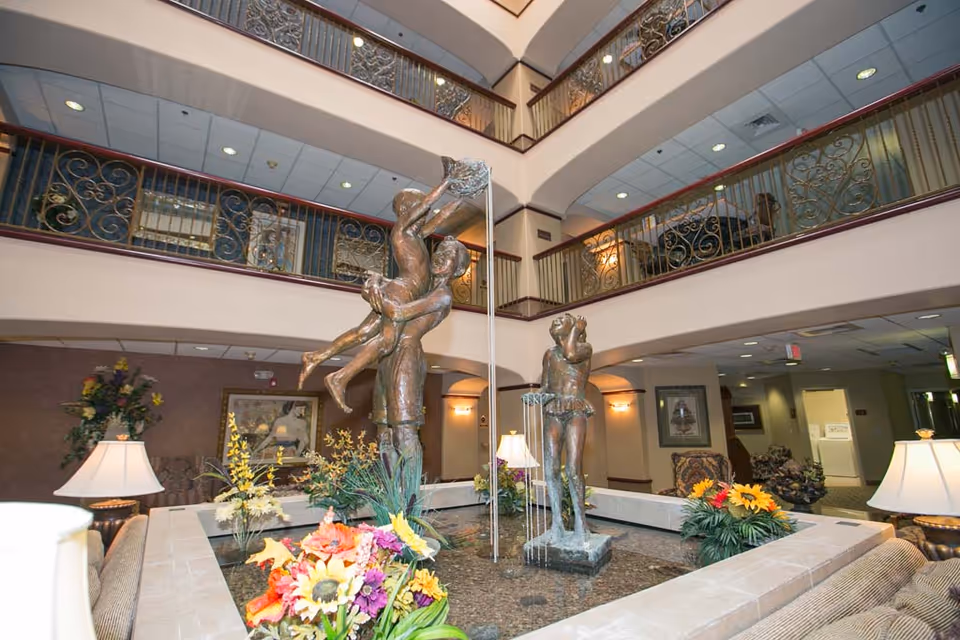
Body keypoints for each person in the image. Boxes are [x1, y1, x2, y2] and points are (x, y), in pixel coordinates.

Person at [298, 157, 464, 401]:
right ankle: (340, 376)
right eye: (420, 206)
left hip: (399, 289)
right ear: (407, 211)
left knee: (362, 332)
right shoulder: (402, 231)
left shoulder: (417, 235)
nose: (426, 210)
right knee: (386, 342)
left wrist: (461, 196)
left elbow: (441, 217)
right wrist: (446, 182)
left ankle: (317, 355)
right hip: (403, 291)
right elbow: (429, 204)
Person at [364, 236, 471, 458]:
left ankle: (409, 492)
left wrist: (374, 295)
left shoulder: (442, 295)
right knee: (384, 432)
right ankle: (390, 491)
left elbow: (398, 312)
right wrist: (377, 282)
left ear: (458, 269)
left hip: (407, 355)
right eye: (439, 251)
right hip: (388, 354)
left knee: (404, 431)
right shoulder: (421, 285)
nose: (441, 257)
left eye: (449, 255)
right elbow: (393, 287)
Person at [540, 313, 594, 544]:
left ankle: (581, 523)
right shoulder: (549, 354)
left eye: (562, 320)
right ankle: (557, 524)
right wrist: (537, 397)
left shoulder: (584, 348)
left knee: (572, 468)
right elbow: (545, 385)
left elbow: (570, 353)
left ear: (573, 327)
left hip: (575, 409)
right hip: (553, 409)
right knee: (550, 467)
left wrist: (577, 331)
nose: (555, 322)